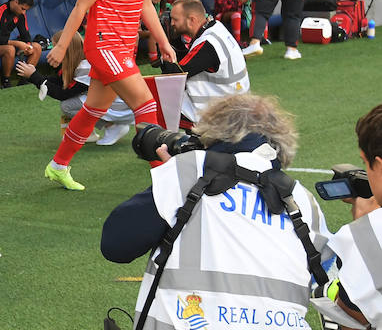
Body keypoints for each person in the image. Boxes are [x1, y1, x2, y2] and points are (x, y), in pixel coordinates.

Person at [101, 95, 330, 330]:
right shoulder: (302, 199)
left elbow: (116, 245)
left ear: (213, 132)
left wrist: (171, 176)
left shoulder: (190, 170)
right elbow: (327, 278)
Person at [44, 0, 177, 191]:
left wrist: (163, 41)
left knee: (93, 109)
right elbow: (80, 9)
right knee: (146, 103)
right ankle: (163, 177)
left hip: (124, 47)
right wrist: (61, 47)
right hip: (105, 46)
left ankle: (58, 165)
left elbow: (145, 6)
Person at [15, 31, 135, 146]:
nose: (52, 51)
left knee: (67, 105)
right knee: (72, 102)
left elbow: (62, 93)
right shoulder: (80, 61)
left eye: (55, 47)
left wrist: (34, 76)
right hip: (114, 101)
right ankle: (90, 133)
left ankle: (112, 126)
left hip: (119, 105)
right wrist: (34, 75)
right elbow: (61, 82)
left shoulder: (85, 67)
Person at [328, 104, 382, 329]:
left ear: (378, 165)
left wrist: (364, 227)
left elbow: (352, 319)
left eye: (364, 163)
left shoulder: (369, 232)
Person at [166, 0, 251, 125]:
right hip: (237, 105)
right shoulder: (216, 27)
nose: (171, 23)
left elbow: (175, 75)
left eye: (175, 19)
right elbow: (191, 60)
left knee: (158, 102)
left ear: (192, 20)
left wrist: (163, 45)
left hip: (221, 114)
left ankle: (190, 141)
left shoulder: (207, 44)